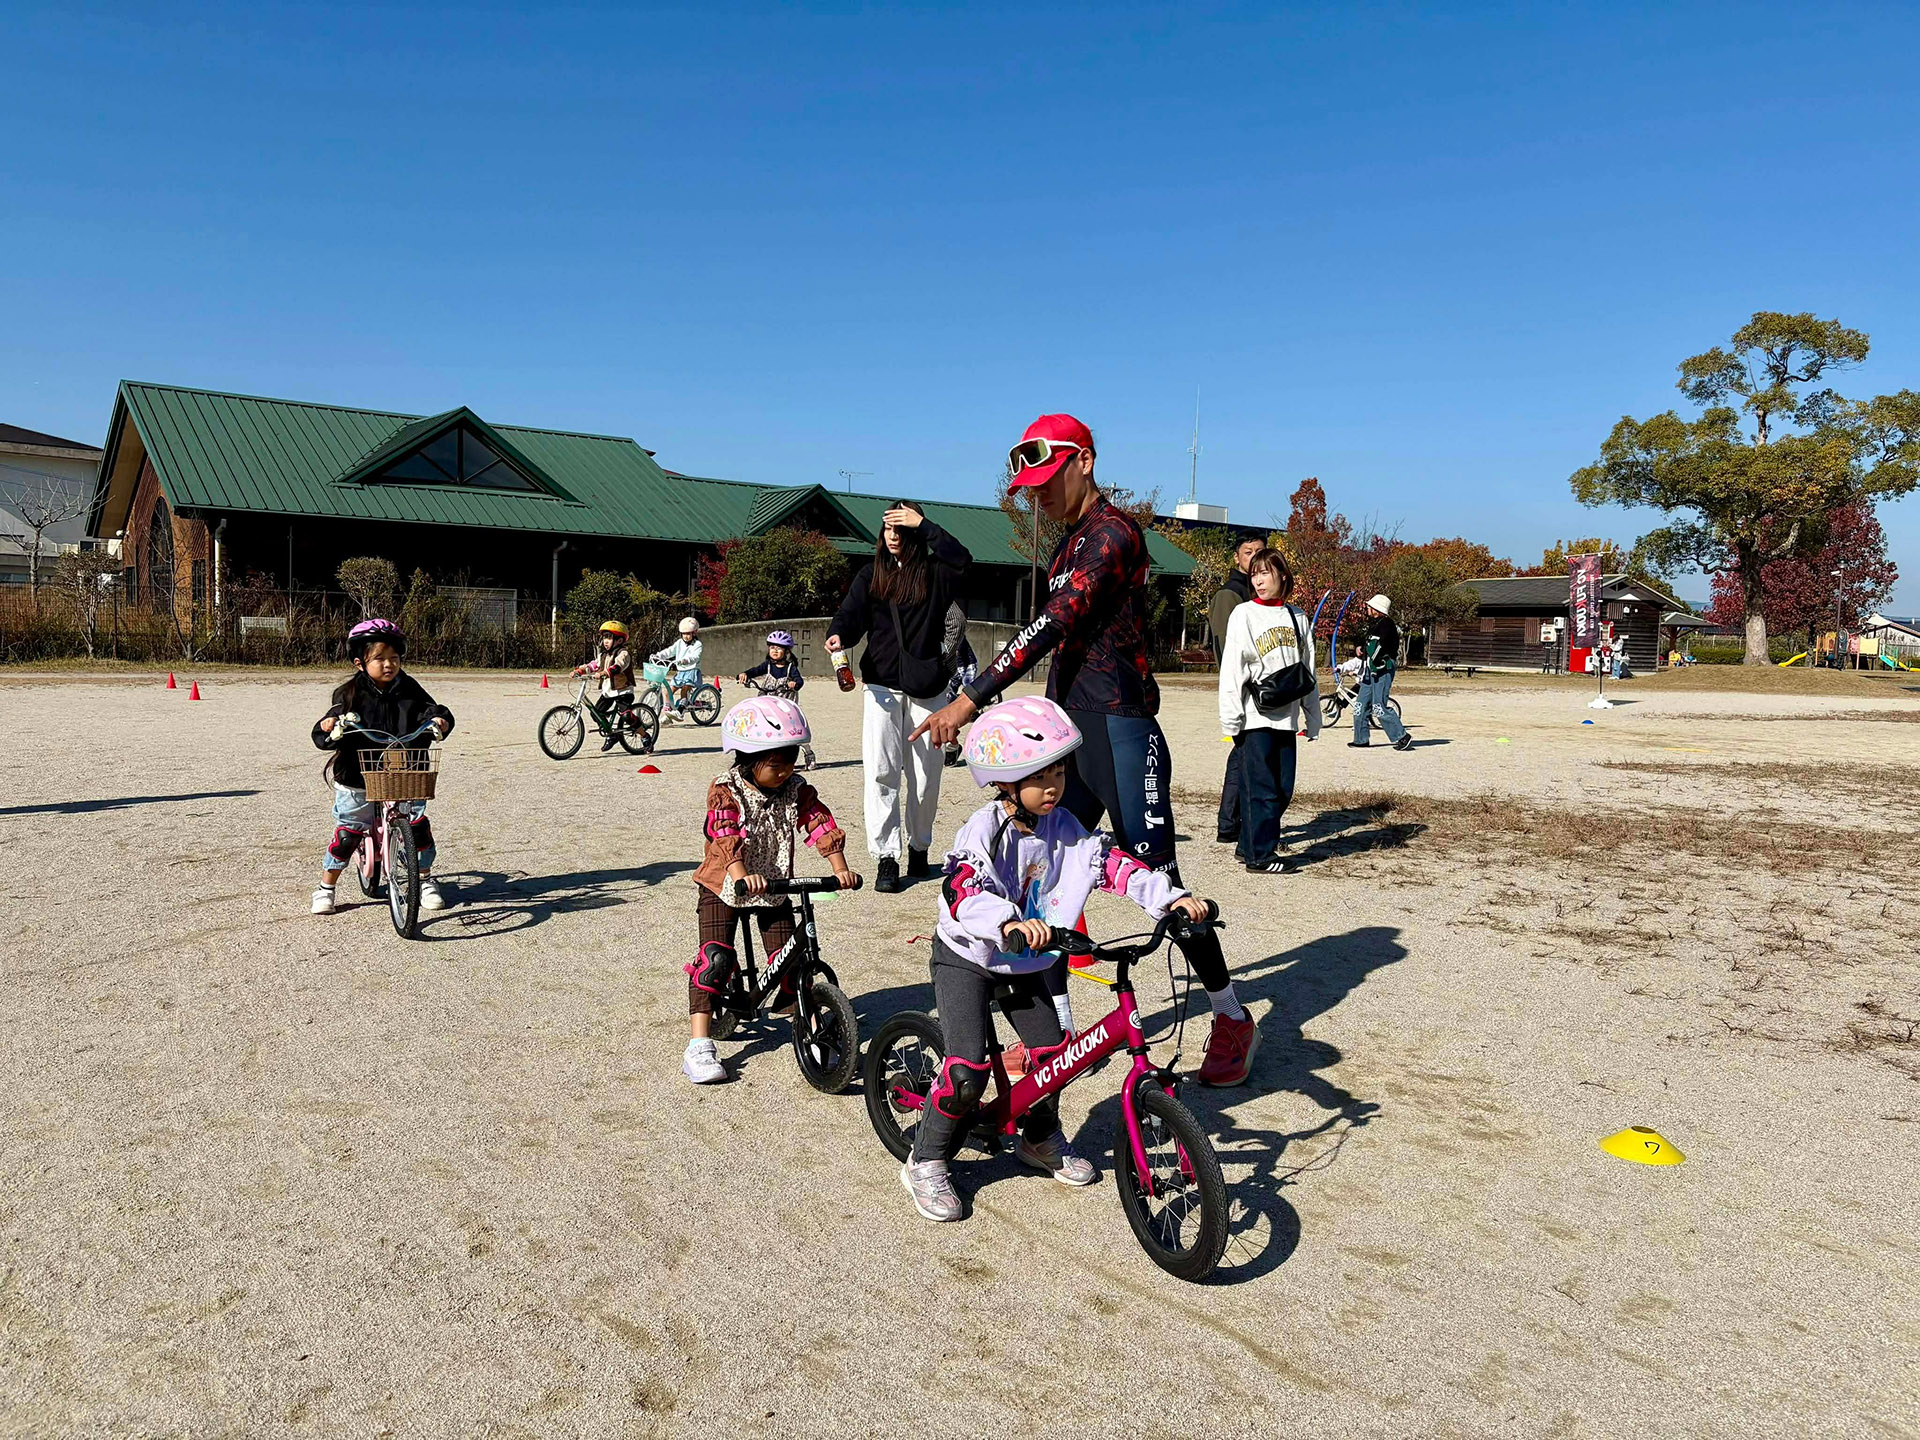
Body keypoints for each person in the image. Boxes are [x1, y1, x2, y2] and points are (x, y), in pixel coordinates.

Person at [914, 413, 1258, 1087]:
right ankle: (1057, 1033)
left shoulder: (1113, 533)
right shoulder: (1069, 542)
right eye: (1031, 487)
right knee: (1048, 872)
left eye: (1048, 480)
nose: (1039, 495)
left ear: (1085, 461)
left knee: (1162, 883)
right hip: (1069, 731)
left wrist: (970, 698)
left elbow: (1053, 623)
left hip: (1121, 725)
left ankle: (1232, 1016)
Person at [900, 696, 1214, 1222]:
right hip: (970, 955)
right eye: (1039, 777)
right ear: (1004, 780)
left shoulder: (1065, 826)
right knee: (966, 1071)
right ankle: (926, 1159)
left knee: (1055, 1058)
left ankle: (1040, 1138)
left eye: (1059, 773)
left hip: (1028, 961)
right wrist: (1007, 922)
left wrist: (1172, 899)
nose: (1053, 787)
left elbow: (1111, 864)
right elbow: (962, 887)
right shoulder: (984, 829)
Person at [684, 695, 862, 1084]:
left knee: (793, 962)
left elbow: (819, 821)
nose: (785, 772)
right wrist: (741, 873)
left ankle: (812, 1028)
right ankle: (699, 1044)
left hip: (773, 884)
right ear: (749, 760)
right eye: (776, 765)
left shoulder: (795, 788)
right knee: (715, 959)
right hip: (725, 883)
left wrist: (840, 869)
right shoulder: (726, 789)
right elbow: (724, 832)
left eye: (790, 763)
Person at [826, 500, 972, 894]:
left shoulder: (936, 573)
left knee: (926, 776)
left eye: (901, 529)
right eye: (888, 528)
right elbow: (850, 615)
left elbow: (962, 559)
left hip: (928, 686)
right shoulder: (872, 574)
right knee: (881, 772)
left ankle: (919, 848)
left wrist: (923, 525)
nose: (893, 536)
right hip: (881, 685)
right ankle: (886, 858)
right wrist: (838, 634)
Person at [310, 618, 454, 916]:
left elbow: (432, 709)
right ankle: (326, 887)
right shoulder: (348, 692)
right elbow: (334, 716)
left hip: (406, 770)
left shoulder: (410, 688)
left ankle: (424, 879)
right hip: (357, 773)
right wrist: (330, 724)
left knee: (417, 829)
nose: (389, 664)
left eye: (394, 657)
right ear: (360, 663)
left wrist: (439, 720)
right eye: (379, 658)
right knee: (348, 834)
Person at [1217, 548, 1320, 874]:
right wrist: (1231, 720)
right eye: (1254, 575)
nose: (1258, 581)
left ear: (1283, 576)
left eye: (1265, 573)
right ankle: (1260, 856)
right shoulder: (1244, 614)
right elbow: (1232, 669)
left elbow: (1308, 671)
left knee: (1282, 789)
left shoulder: (1297, 617)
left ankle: (1248, 844)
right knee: (1260, 789)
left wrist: (1313, 717)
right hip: (1255, 716)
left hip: (1286, 718)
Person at [1208, 537, 1262, 845]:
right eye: (1247, 552)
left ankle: (1232, 822)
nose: (1253, 557)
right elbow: (1226, 647)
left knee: (1246, 753)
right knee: (1244, 753)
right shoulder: (1230, 594)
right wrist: (1238, 688)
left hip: (1260, 689)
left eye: (1259, 552)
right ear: (1236, 557)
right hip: (1244, 688)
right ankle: (1230, 823)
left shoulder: (1258, 592)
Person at [1350, 593, 1411, 751]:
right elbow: (1369, 645)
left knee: (1378, 706)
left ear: (1376, 608)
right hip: (1370, 670)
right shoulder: (1375, 624)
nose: (1367, 608)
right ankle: (1361, 739)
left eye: (1369, 606)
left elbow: (1381, 647)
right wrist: (1361, 648)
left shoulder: (1387, 624)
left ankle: (1402, 736)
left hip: (1382, 669)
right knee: (1360, 705)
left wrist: (1372, 657)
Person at [572, 619, 643, 752]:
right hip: (608, 691)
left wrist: (605, 672)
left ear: (619, 640)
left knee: (626, 716)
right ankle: (611, 735)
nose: (605, 641)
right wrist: (580, 670)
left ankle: (645, 736)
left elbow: (618, 666)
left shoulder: (623, 653)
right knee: (596, 714)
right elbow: (593, 665)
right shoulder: (603, 655)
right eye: (604, 637)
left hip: (623, 691)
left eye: (609, 638)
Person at [940, 601, 977, 769]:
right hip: (948, 671)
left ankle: (952, 745)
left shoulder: (956, 636)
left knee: (951, 707)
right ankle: (951, 746)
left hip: (963, 668)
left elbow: (968, 662)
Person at [650, 617, 704, 722]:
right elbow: (670, 651)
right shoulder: (679, 643)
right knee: (667, 691)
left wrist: (686, 660)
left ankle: (680, 713)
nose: (686, 636)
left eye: (688, 634)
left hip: (692, 671)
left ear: (694, 633)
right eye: (683, 634)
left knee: (684, 690)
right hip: (680, 672)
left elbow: (695, 657)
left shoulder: (697, 645)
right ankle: (668, 711)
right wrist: (658, 656)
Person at [736, 629, 805, 695]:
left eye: (779, 648)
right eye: (772, 647)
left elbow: (798, 679)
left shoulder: (790, 667)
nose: (775, 651)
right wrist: (745, 674)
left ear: (786, 652)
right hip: (767, 696)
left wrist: (795, 684)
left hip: (784, 698)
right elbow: (756, 670)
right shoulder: (768, 664)